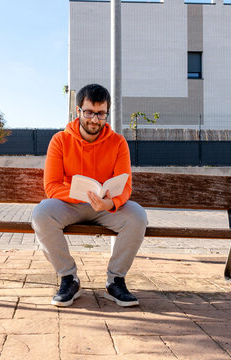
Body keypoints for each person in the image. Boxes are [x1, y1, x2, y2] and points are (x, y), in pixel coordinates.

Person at [31, 83, 148, 307]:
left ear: (106, 113)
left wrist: (109, 203)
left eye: (101, 114)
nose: (94, 120)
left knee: (137, 216)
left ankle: (115, 281)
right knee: (41, 213)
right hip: (70, 204)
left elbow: (125, 186)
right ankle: (69, 278)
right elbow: (52, 186)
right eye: (89, 113)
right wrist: (83, 196)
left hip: (105, 207)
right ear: (78, 111)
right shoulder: (60, 140)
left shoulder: (118, 142)